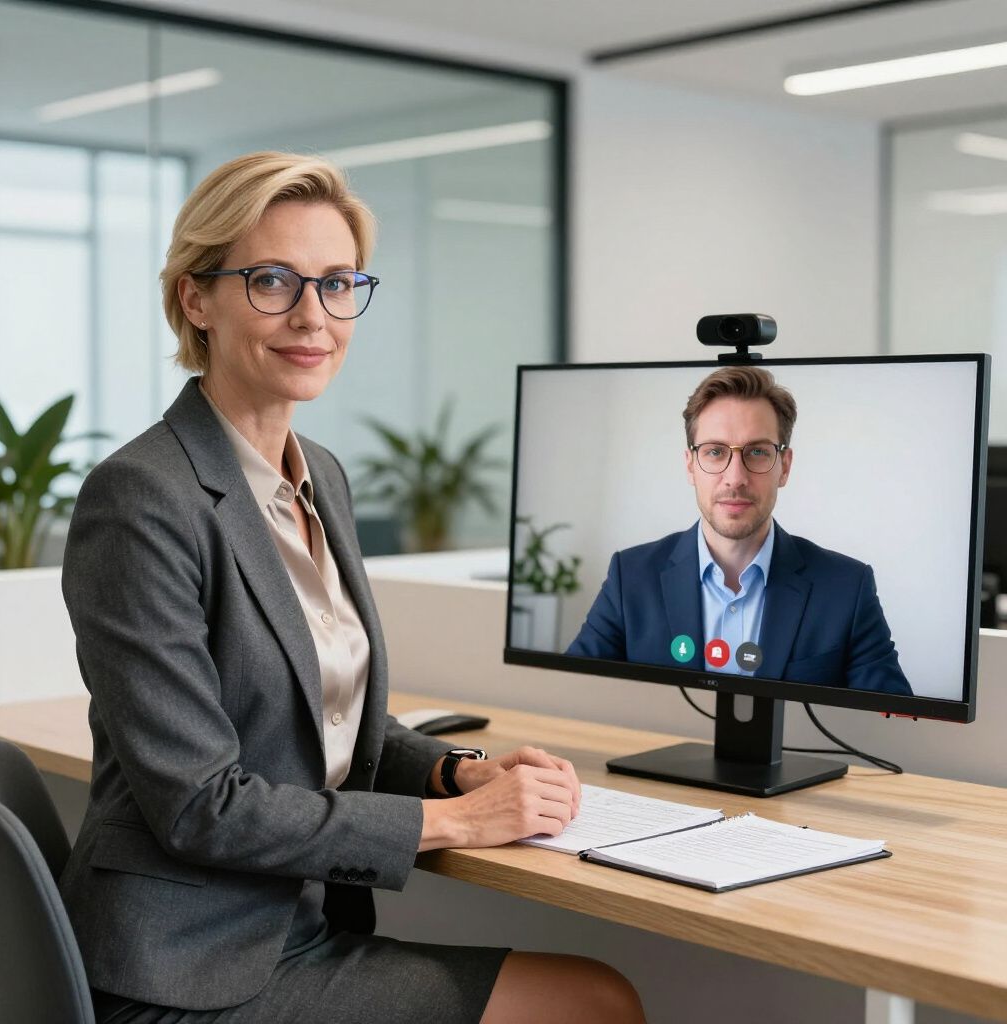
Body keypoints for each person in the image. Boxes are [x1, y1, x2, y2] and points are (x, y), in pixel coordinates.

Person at [60, 151, 645, 1024]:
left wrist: (459, 772)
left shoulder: (318, 477)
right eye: (271, 281)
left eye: (337, 284)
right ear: (195, 297)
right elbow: (199, 806)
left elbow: (336, 726)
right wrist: (453, 827)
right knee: (594, 1002)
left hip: (297, 922)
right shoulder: (143, 496)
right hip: (187, 967)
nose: (313, 317)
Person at [566, 365, 912, 696]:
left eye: (757, 452)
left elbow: (894, 727)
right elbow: (571, 693)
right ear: (691, 466)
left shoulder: (847, 588)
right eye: (715, 452)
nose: (735, 477)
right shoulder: (631, 577)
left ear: (784, 466)